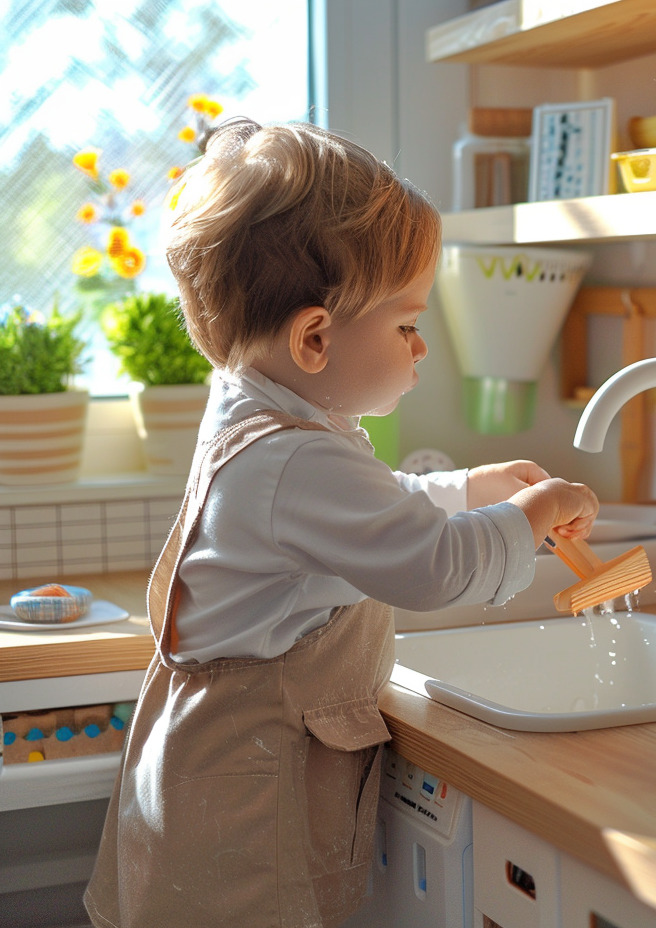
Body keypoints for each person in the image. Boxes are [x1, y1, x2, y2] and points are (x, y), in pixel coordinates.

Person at [84, 118, 599, 928]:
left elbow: (365, 512)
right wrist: (528, 514)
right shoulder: (294, 458)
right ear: (315, 338)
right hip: (248, 793)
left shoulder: (261, 411)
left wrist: (468, 490)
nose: (422, 346)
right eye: (406, 323)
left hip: (213, 768)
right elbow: (426, 565)